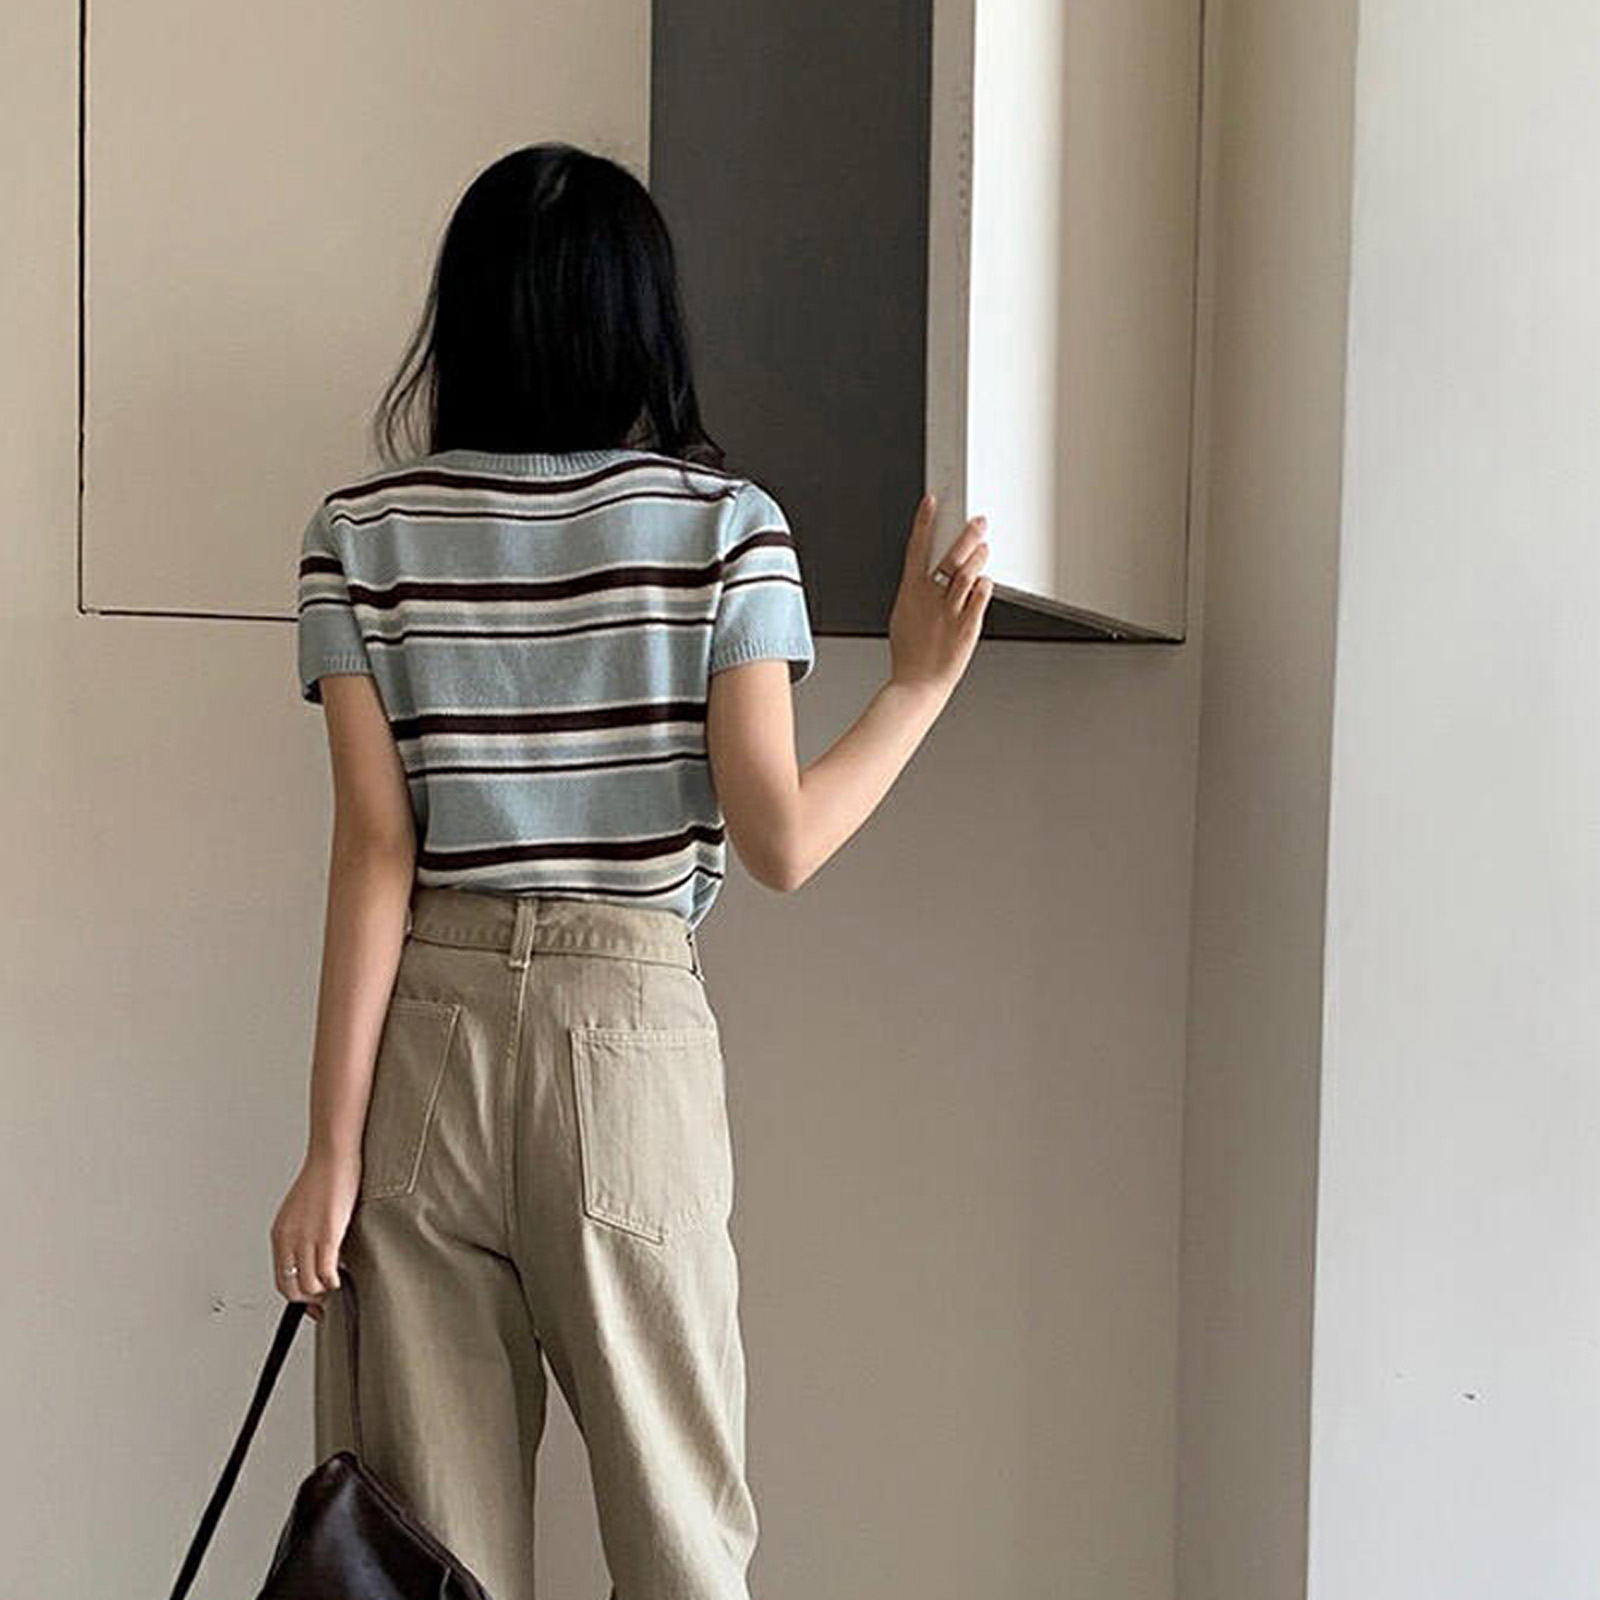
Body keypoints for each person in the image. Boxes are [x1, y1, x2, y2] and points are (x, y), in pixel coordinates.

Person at [271, 140, 992, 1600]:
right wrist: (915, 688)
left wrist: (329, 1154)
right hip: (625, 1033)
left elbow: (376, 850)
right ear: (643, 318)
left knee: (428, 1556)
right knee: (678, 1532)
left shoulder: (361, 535)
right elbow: (782, 841)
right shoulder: (724, 527)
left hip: (426, 1040)